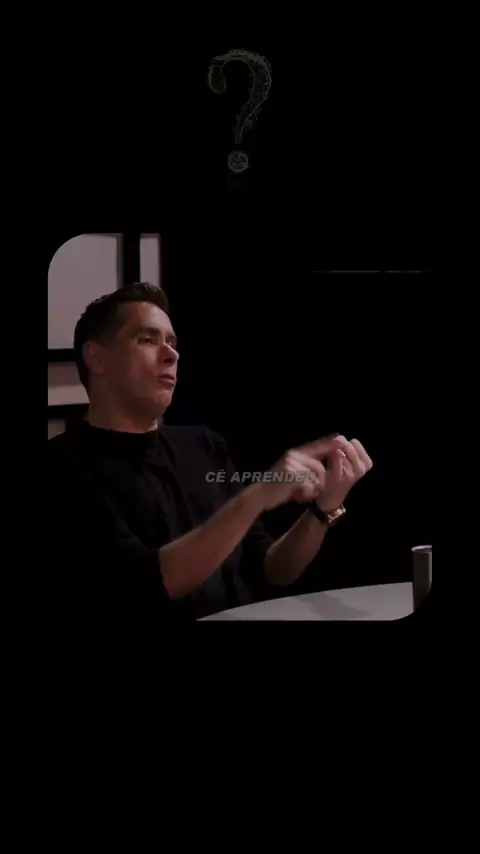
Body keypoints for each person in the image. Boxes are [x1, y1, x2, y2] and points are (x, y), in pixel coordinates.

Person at [50, 282, 373, 633]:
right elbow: (146, 586)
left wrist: (324, 509)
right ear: (97, 358)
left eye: (172, 342)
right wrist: (257, 496)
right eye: (147, 340)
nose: (171, 355)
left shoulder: (204, 444)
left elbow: (273, 569)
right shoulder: (64, 463)